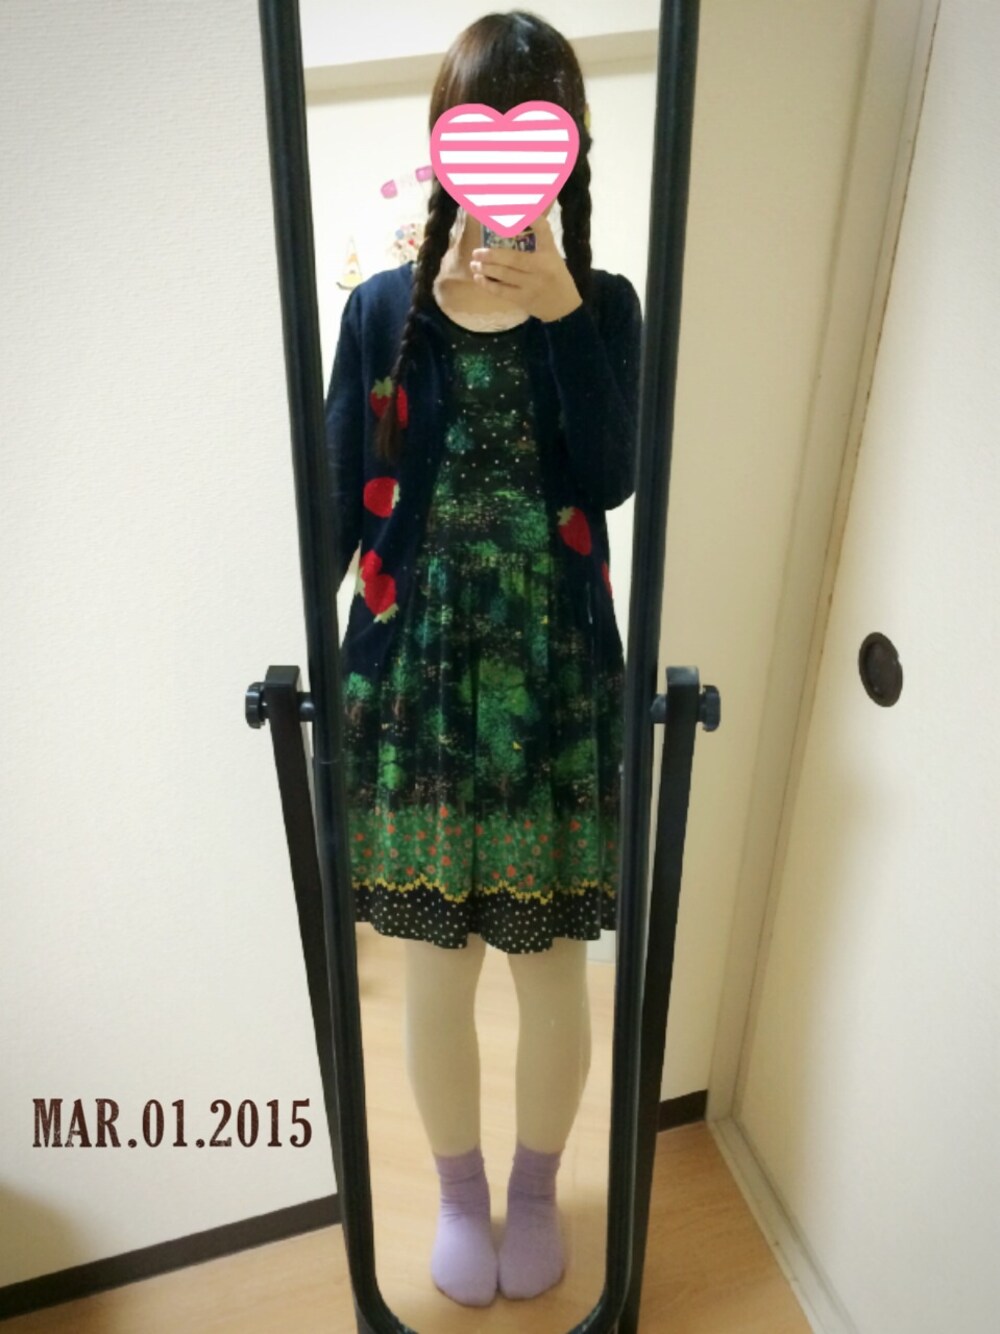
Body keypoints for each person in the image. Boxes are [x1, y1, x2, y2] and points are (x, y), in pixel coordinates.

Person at [324, 10, 642, 1307]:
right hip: (415, 688)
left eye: (537, 132)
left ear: (570, 154)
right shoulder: (378, 310)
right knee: (436, 970)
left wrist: (563, 315)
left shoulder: (605, 306)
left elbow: (611, 476)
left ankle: (533, 1192)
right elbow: (336, 502)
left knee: (551, 969)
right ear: (445, 147)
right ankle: (460, 1199)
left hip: (553, 687)